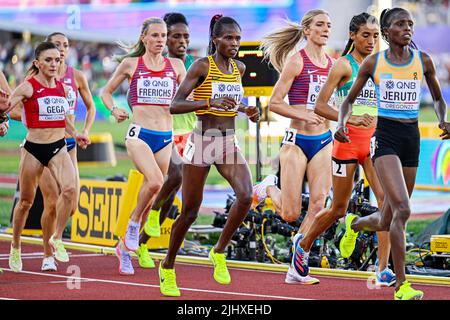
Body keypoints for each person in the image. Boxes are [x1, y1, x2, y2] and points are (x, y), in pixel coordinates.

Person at [336, 8, 450, 300]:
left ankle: (354, 224)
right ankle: (401, 285)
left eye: (410, 24)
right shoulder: (374, 63)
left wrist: (442, 119)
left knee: (388, 219)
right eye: (401, 24)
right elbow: (347, 102)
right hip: (384, 138)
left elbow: (438, 98)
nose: (408, 28)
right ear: (387, 31)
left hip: (411, 138)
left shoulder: (422, 61)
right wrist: (341, 124)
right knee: (403, 209)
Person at [291, 13, 395, 287]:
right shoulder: (343, 66)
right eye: (365, 35)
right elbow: (320, 106)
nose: (371, 41)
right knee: (338, 208)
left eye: (375, 36)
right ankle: (302, 246)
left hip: (373, 144)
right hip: (347, 143)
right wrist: (348, 118)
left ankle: (382, 269)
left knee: (386, 204)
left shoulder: (381, 66)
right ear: (352, 35)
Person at [158, 14, 259, 297]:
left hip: (227, 141)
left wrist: (248, 111)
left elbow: (234, 104)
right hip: (202, 141)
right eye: (228, 38)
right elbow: (175, 105)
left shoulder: (239, 68)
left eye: (238, 38)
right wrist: (207, 102)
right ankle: (167, 266)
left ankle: (219, 251)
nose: (234, 43)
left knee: (245, 195)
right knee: (190, 211)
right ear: (215, 39)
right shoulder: (203, 66)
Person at [252, 9, 333, 285]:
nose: (325, 29)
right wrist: (303, 114)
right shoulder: (296, 62)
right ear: (307, 30)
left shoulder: (333, 64)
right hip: (296, 141)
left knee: (320, 204)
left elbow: (333, 105)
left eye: (328, 25)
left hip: (323, 140)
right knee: (290, 213)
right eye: (320, 25)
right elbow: (275, 102)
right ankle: (266, 188)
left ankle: (299, 261)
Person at [101, 17, 186, 275]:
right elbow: (106, 91)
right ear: (144, 38)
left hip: (165, 136)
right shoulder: (131, 64)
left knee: (150, 196)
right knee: (156, 182)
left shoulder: (176, 65)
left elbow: (188, 96)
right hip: (139, 134)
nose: (161, 40)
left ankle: (123, 249)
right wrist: (114, 109)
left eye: (163, 36)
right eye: (156, 36)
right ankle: (133, 225)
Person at [1, 42, 89, 272]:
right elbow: (7, 106)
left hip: (58, 147)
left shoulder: (62, 88)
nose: (54, 64)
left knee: (70, 191)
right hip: (32, 149)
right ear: (37, 63)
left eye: (57, 60)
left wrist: (76, 134)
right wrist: (2, 116)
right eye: (48, 60)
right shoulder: (28, 86)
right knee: (26, 202)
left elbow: (65, 120)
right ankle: (16, 245)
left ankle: (56, 238)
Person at [136, 12, 197, 269]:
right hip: (163, 134)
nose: (181, 41)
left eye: (185, 36)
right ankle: (145, 219)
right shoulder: (157, 65)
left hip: (190, 134)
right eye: (175, 36)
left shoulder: (194, 64)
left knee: (171, 196)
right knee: (175, 176)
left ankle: (141, 243)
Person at [33, 32, 96, 271]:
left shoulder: (76, 76)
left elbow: (90, 107)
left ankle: (55, 237)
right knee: (51, 203)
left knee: (71, 204)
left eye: (66, 46)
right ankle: (48, 254)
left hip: (69, 146)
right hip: (45, 145)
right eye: (57, 45)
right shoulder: (36, 78)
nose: (61, 50)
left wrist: (85, 130)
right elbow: (17, 108)